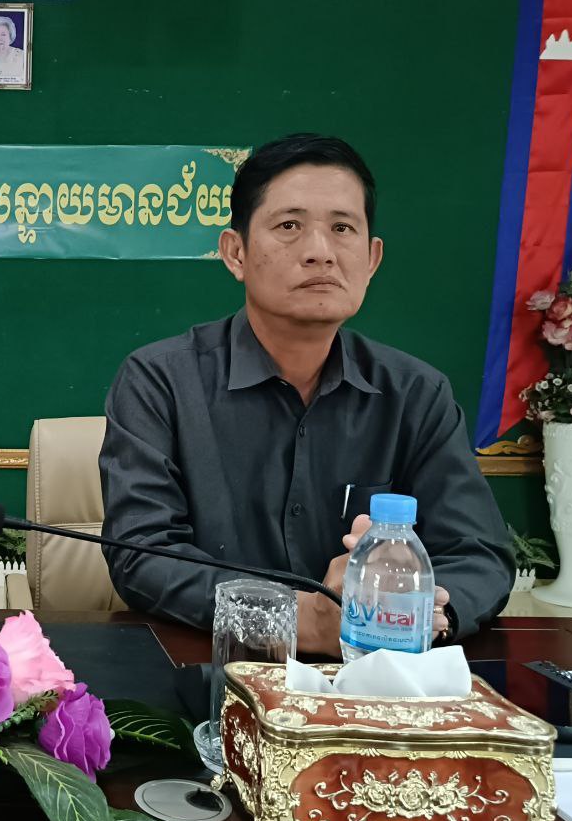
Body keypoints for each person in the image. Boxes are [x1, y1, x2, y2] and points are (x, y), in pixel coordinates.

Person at [100, 133, 513, 655]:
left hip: (380, 677)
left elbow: (478, 554)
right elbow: (143, 555)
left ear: (372, 259)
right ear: (235, 253)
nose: (320, 252)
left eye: (342, 228)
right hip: (207, 673)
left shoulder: (415, 393)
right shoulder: (160, 381)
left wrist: (428, 614)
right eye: (289, 226)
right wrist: (297, 619)